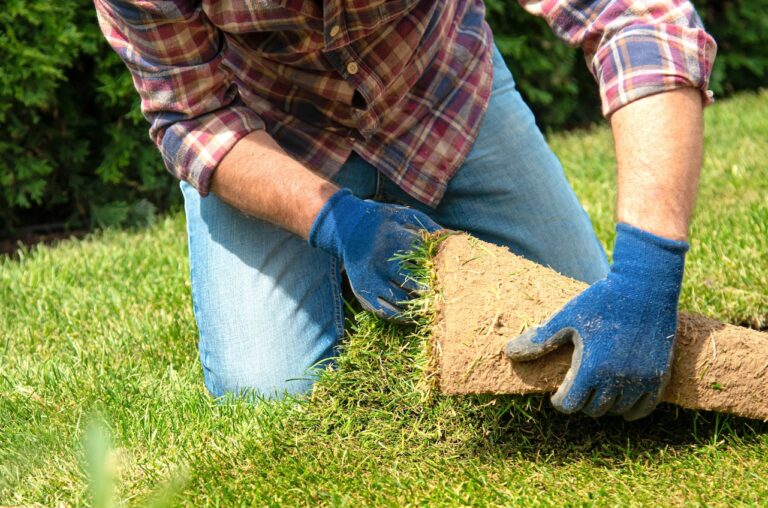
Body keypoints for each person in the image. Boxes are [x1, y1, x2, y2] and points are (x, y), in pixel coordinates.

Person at [95, 0, 716, 420]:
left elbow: (639, 17)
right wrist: (337, 223)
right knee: (266, 392)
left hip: (437, 90)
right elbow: (195, 116)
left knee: (584, 319)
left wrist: (647, 270)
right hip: (274, 129)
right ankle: (339, 249)